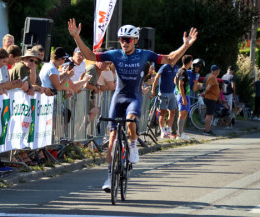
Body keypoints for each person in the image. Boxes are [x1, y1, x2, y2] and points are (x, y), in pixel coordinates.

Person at [67, 18, 197, 191]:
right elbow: (91, 56)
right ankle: (108, 177)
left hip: (134, 96)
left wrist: (186, 46)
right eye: (121, 39)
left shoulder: (144, 54)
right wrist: (76, 37)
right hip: (118, 96)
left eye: (127, 40)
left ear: (135, 40)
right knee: (112, 138)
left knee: (130, 121)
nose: (124, 43)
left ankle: (133, 146)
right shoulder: (114, 54)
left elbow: (169, 58)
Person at [150, 63, 179, 138]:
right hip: (163, 93)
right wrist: (153, 91)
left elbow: (176, 78)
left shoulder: (176, 67)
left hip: (172, 93)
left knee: (173, 112)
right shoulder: (165, 66)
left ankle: (168, 131)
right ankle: (163, 132)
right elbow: (156, 78)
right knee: (163, 112)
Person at [84, 48, 111, 123]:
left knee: (94, 111)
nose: (106, 65)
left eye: (108, 63)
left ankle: (82, 131)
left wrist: (97, 86)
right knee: (94, 111)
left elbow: (92, 84)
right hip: (81, 98)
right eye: (104, 62)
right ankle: (81, 131)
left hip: (87, 98)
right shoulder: (92, 69)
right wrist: (95, 87)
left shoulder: (99, 70)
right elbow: (85, 84)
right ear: (98, 60)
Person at [175, 55, 193, 140]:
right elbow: (180, 84)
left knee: (185, 113)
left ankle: (182, 133)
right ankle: (179, 134)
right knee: (181, 114)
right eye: (191, 61)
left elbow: (175, 80)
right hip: (183, 95)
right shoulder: (182, 72)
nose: (192, 63)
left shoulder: (182, 71)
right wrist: (183, 97)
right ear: (189, 62)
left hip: (185, 95)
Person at [201, 65, 221, 136]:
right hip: (210, 98)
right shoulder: (212, 78)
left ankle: (207, 129)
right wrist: (204, 93)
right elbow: (208, 88)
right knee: (209, 115)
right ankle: (207, 130)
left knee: (208, 115)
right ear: (216, 71)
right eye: (218, 71)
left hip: (211, 98)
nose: (219, 72)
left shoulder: (211, 76)